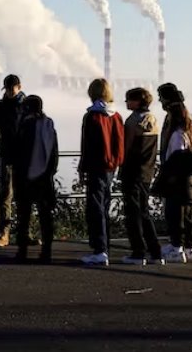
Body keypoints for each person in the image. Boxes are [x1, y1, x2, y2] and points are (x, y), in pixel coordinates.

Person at [78, 78, 124, 266]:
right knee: (104, 205)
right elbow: (120, 142)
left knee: (95, 206)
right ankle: (105, 246)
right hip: (111, 167)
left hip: (96, 166)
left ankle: (100, 249)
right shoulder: (116, 116)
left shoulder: (92, 116)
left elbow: (87, 145)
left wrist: (83, 168)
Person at [11, 94, 58, 264]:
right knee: (46, 216)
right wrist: (50, 171)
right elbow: (54, 152)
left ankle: (22, 251)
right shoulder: (49, 124)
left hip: (25, 177)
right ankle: (47, 251)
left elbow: (17, 151)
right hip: (45, 177)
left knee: (24, 215)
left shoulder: (25, 125)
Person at [119, 87, 163, 266]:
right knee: (144, 212)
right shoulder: (152, 120)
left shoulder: (132, 122)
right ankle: (155, 251)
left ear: (137, 101)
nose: (126, 103)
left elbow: (126, 147)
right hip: (147, 171)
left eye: (129, 99)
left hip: (132, 170)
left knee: (133, 213)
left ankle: (138, 251)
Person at [156, 97, 192, 264]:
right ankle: (189, 248)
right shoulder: (190, 134)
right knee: (189, 218)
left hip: (178, 182)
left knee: (175, 216)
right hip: (191, 183)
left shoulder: (177, 135)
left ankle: (177, 248)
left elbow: (176, 158)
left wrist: (169, 177)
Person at [0, 75, 25, 247]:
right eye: (8, 89)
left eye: (12, 88)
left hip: (22, 155)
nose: (10, 92)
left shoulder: (25, 105)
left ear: (19, 87)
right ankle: (5, 232)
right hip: (7, 155)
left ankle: (24, 232)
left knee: (23, 196)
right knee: (5, 195)